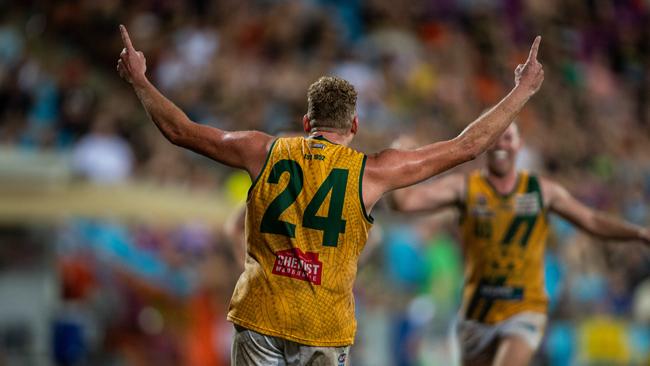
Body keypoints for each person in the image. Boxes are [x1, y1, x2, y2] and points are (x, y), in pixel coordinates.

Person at [116, 24, 544, 365]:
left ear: (306, 122)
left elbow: (180, 131)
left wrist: (140, 80)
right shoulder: (371, 173)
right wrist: (522, 91)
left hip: (260, 317)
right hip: (324, 329)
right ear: (353, 128)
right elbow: (467, 146)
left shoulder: (262, 150)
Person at [391, 123, 650, 366]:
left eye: (508, 138)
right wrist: (398, 158)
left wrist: (638, 233)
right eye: (494, 138)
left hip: (524, 307)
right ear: (484, 145)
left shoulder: (542, 191)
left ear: (519, 144)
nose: (501, 145)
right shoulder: (465, 188)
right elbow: (405, 203)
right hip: (478, 309)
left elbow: (591, 219)